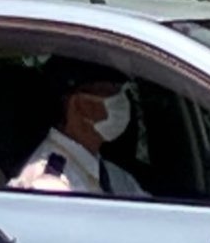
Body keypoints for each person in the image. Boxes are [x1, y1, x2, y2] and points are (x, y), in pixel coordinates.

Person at [9, 61, 146, 196]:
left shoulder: (116, 177)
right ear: (77, 104)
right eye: (110, 92)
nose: (120, 101)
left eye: (120, 91)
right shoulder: (49, 183)